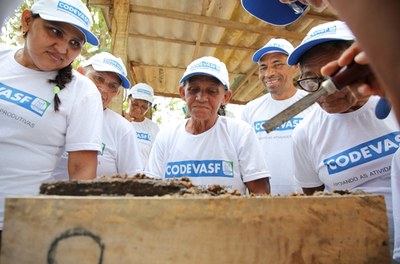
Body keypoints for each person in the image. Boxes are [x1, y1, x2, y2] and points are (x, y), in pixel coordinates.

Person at [287, 20, 399, 258]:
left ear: (359, 66)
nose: (325, 90)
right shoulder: (305, 134)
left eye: (335, 75)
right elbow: (316, 204)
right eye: (311, 81)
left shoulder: (393, 99)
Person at [0, 0, 103, 242]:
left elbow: (82, 170)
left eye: (74, 43)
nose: (63, 48)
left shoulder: (83, 93)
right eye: (55, 31)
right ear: (27, 21)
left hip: (19, 227)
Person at [145, 56, 271, 195]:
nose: (201, 98)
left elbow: (261, 193)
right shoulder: (166, 136)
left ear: (226, 97)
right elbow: (150, 190)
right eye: (193, 89)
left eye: (211, 91)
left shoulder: (240, 133)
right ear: (182, 93)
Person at [241, 38, 315, 195]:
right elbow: (244, 158)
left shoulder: (313, 103)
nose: (269, 73)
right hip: (263, 201)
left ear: (295, 67)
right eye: (263, 67)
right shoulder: (250, 110)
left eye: (277, 64)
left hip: (307, 198)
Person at [52, 52, 143, 179]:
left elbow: (133, 180)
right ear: (80, 73)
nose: (104, 89)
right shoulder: (54, 110)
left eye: (112, 86)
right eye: (99, 78)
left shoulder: (123, 129)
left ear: (117, 93)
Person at [125, 83, 160, 167]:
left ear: (149, 107)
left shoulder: (153, 128)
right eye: (135, 104)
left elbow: (156, 157)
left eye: (143, 107)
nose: (138, 110)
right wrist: (124, 124)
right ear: (128, 100)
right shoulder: (120, 121)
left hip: (142, 176)